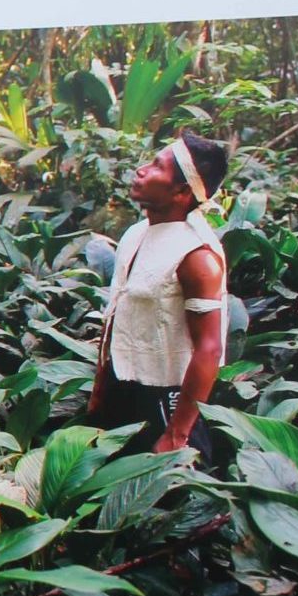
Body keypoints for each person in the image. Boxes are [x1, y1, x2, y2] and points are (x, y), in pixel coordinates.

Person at [87, 131, 232, 462]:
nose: (141, 170)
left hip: (167, 398)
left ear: (181, 192)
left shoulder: (197, 256)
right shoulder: (137, 233)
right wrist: (101, 386)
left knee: (171, 499)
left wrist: (176, 433)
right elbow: (116, 314)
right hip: (123, 384)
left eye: (157, 167)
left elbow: (209, 348)